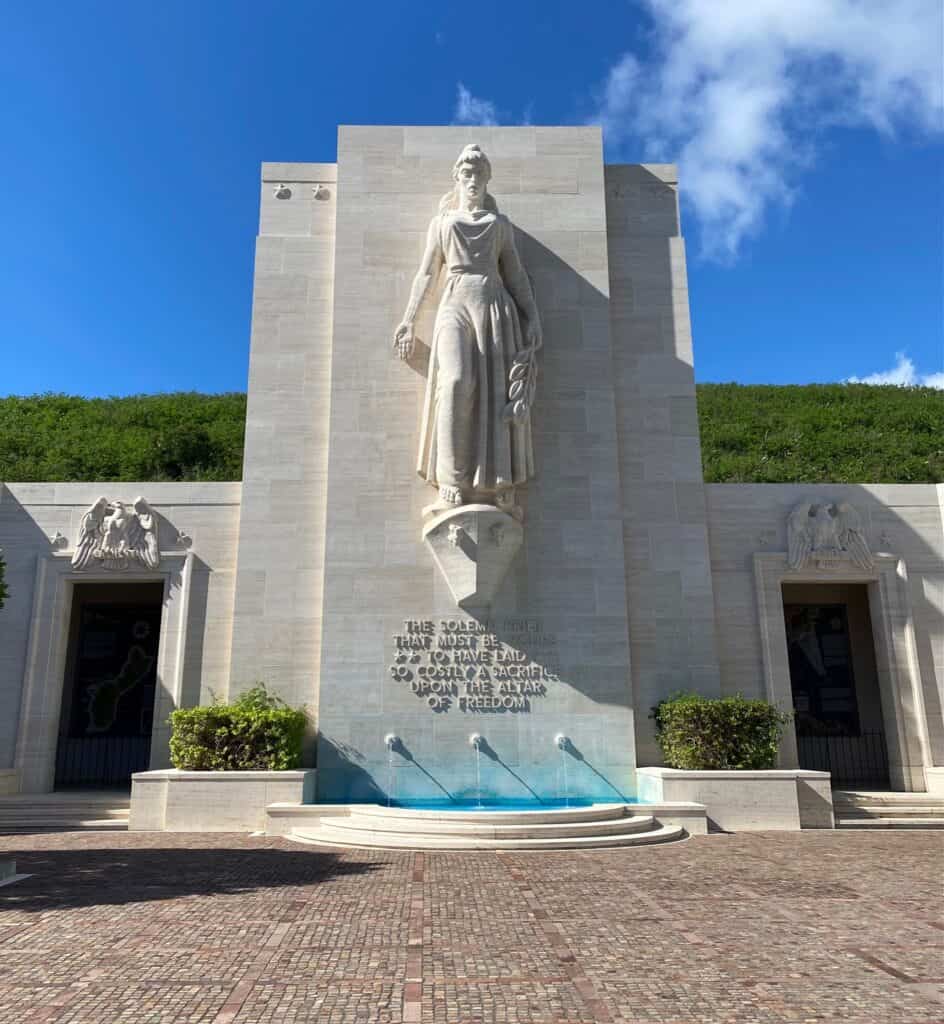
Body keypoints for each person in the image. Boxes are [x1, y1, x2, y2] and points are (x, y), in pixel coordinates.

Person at [394, 144, 541, 518]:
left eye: (478, 174)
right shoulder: (442, 224)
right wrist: (409, 319)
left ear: (487, 179)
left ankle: (499, 482)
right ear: (457, 178)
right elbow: (427, 273)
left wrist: (532, 315)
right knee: (456, 381)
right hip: (454, 301)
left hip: (493, 304)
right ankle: (450, 480)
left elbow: (517, 275)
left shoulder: (500, 226)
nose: (472, 180)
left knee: (494, 391)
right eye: (466, 173)